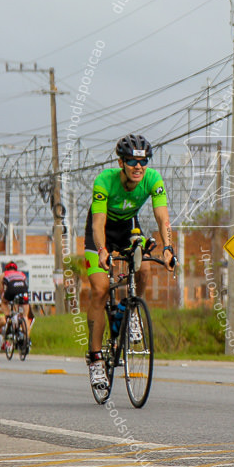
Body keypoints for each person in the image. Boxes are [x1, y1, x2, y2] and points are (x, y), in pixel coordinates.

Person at [84, 134, 176, 390]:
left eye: (143, 161)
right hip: (101, 232)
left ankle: (130, 310)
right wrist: (102, 250)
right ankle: (94, 360)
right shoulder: (105, 181)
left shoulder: (152, 179)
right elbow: (99, 223)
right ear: (121, 162)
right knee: (100, 290)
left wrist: (169, 247)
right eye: (132, 161)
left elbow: (162, 217)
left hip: (128, 228)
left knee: (144, 268)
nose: (139, 166)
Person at [0, 262, 31, 344]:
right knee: (25, 316)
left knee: (4, 302)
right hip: (23, 290)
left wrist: (3, 298)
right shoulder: (22, 274)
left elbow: (2, 290)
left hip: (11, 289)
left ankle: (8, 319)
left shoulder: (3, 275)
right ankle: (27, 339)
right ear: (16, 269)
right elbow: (25, 285)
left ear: (6, 269)